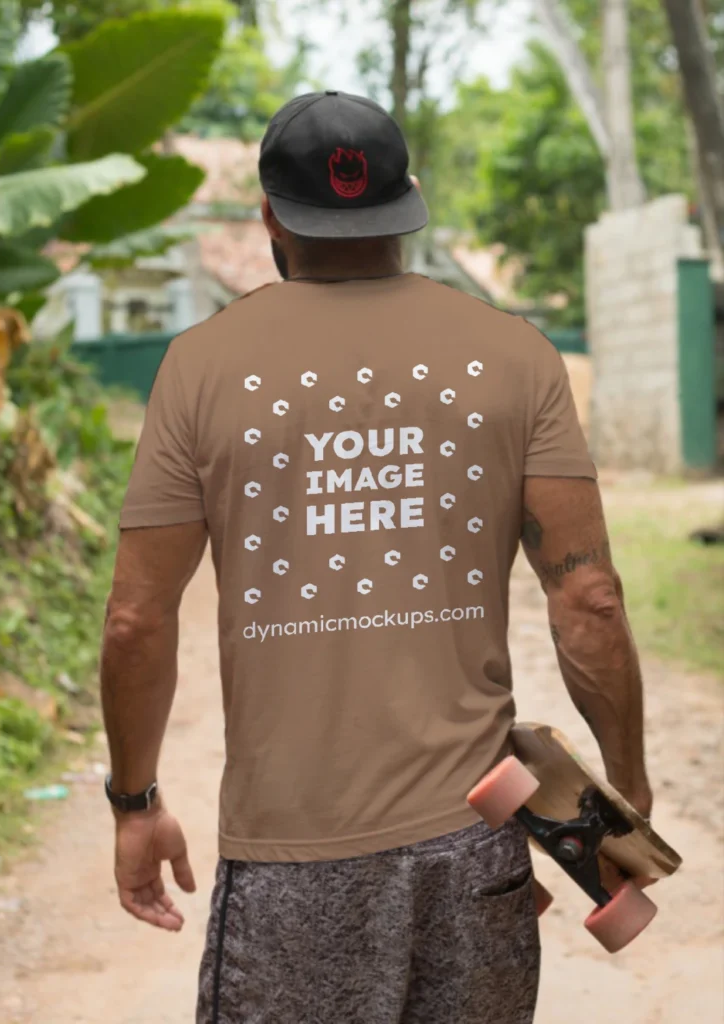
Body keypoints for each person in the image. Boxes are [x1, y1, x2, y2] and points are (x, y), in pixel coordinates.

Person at [100, 91, 653, 1024]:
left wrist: (135, 799)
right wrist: (626, 788)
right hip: (475, 843)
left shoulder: (200, 365)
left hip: (290, 860)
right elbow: (589, 601)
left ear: (270, 214)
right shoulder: (515, 355)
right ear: (413, 199)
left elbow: (137, 617)